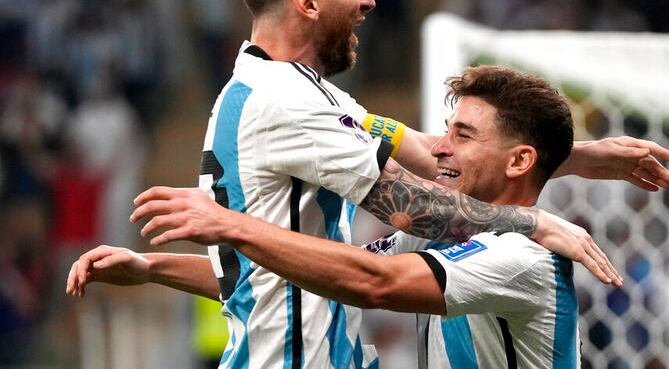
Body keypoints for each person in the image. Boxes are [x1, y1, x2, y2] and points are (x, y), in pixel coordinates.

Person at [67, 0, 669, 367]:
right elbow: (412, 221)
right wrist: (534, 222)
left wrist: (579, 158)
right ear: (306, 0)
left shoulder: (306, 96)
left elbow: (433, 153)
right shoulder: (287, 102)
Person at [125, 65, 588, 368]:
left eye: (462, 135)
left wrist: (233, 224)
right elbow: (309, 273)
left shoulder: (523, 256)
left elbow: (372, 282)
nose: (440, 147)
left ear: (520, 162)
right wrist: (151, 268)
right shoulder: (445, 238)